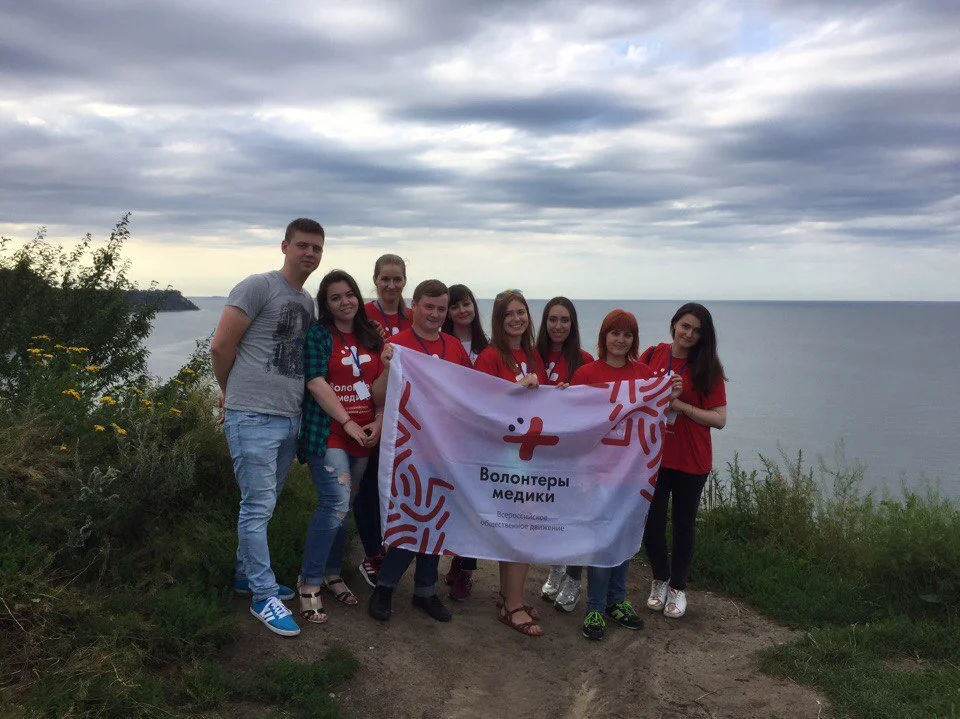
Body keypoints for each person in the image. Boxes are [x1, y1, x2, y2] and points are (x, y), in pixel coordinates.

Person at [210, 218, 324, 637]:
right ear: (284, 246)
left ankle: (246, 576)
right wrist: (230, 392)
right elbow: (221, 345)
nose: (309, 253)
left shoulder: (307, 300)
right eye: (302, 245)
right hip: (253, 416)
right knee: (257, 507)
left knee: (267, 504)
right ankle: (262, 595)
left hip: (289, 417)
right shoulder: (257, 286)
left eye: (316, 248)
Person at [368, 279, 473, 623]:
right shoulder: (397, 345)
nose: (436, 314)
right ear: (414, 306)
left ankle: (425, 590)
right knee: (410, 519)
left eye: (442, 309)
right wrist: (387, 367)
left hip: (444, 448)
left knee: (437, 519)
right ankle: (385, 586)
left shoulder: (453, 346)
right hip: (407, 449)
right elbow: (377, 395)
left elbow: (471, 392)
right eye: (429, 307)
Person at [573, 309, 682, 641]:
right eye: (615, 333)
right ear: (604, 335)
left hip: (633, 475)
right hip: (598, 474)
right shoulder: (586, 374)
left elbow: (659, 415)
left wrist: (671, 392)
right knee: (601, 540)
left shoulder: (644, 375)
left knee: (625, 536)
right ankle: (594, 606)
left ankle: (616, 601)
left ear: (634, 339)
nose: (620, 340)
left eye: (627, 334)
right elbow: (573, 424)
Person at [297, 270, 388, 624]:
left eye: (349, 294)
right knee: (334, 501)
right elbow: (315, 381)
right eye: (335, 297)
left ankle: (332, 573)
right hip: (329, 432)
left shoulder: (371, 335)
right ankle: (309, 581)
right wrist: (347, 422)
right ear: (326, 303)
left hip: (364, 433)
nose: (345, 302)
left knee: (345, 505)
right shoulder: (319, 335)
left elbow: (378, 386)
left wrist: (378, 420)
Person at [641, 303, 727, 619]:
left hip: (691, 458)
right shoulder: (653, 355)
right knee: (650, 522)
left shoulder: (708, 366)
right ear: (675, 324)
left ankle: (678, 587)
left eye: (697, 331)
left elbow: (719, 419)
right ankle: (660, 578)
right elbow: (632, 391)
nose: (689, 334)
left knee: (683, 525)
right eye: (685, 326)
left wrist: (680, 406)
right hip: (654, 456)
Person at [474, 289, 547, 637]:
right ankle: (514, 607)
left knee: (518, 523)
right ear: (498, 320)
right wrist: (519, 386)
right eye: (509, 314)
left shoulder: (533, 355)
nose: (517, 319)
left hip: (529, 453)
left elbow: (540, 399)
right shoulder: (490, 356)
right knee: (523, 524)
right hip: (503, 454)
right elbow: (480, 403)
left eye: (521, 312)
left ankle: (507, 596)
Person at [355, 254, 412, 588]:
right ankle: (371, 552)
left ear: (405, 281)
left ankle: (393, 544)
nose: (391, 285)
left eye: (397, 279)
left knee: (397, 484)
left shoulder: (413, 317)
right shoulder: (362, 314)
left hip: (407, 415)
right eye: (385, 279)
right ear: (375, 279)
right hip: (368, 409)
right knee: (367, 485)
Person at [535, 297, 594, 612]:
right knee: (550, 514)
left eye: (565, 320)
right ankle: (556, 567)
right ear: (544, 322)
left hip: (573, 454)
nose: (558, 326)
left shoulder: (584, 360)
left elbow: (595, 408)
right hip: (540, 452)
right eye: (552, 319)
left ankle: (573, 578)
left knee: (574, 516)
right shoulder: (532, 356)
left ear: (573, 324)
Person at [439, 284, 490, 601]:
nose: (461, 311)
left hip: (480, 437)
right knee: (450, 502)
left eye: (466, 303)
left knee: (474, 504)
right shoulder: (442, 343)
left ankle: (465, 569)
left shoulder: (489, 346)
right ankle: (452, 557)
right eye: (455, 306)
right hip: (447, 434)